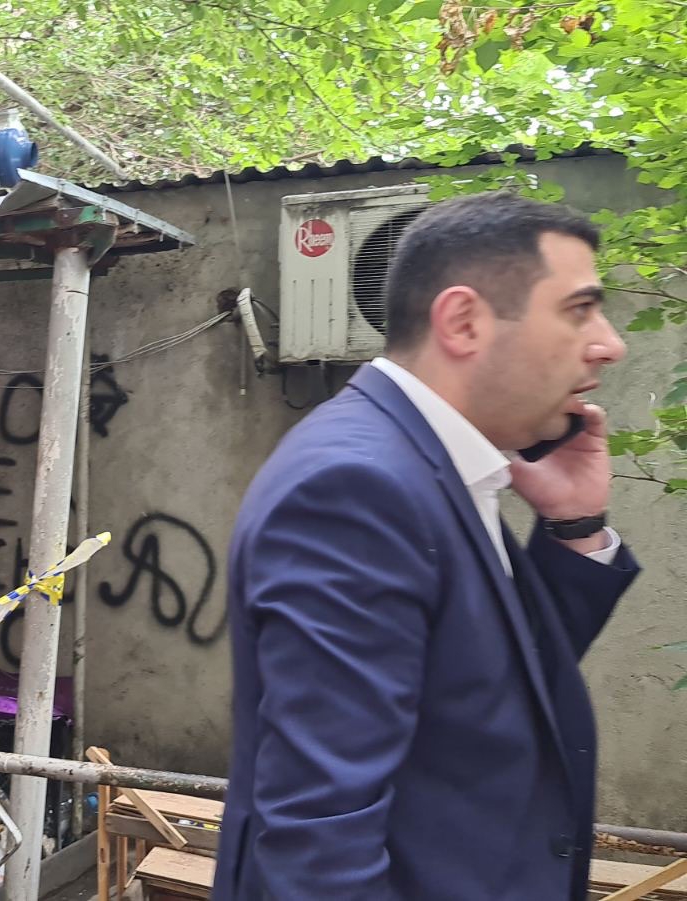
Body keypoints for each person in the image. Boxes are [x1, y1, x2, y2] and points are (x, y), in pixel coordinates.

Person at [215, 191, 639, 901]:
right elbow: (320, 844)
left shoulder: (429, 462)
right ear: (464, 322)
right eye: (579, 309)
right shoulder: (358, 489)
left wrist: (573, 527)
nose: (610, 343)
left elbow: (487, 693)